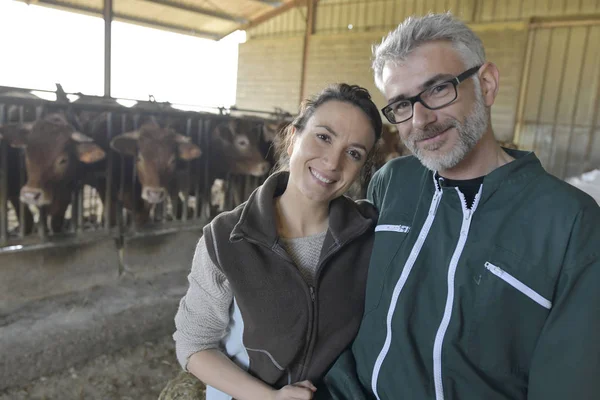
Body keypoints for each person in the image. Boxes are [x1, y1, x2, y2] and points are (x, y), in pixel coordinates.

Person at [321, 12, 600, 400]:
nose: (420, 120)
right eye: (401, 105)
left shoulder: (570, 223)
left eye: (437, 89)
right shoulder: (392, 183)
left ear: (486, 84)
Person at [173, 83, 383, 400]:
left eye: (353, 153)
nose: (332, 162)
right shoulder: (227, 237)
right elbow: (194, 345)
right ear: (292, 137)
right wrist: (269, 398)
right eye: (323, 137)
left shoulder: (370, 235)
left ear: (361, 169)